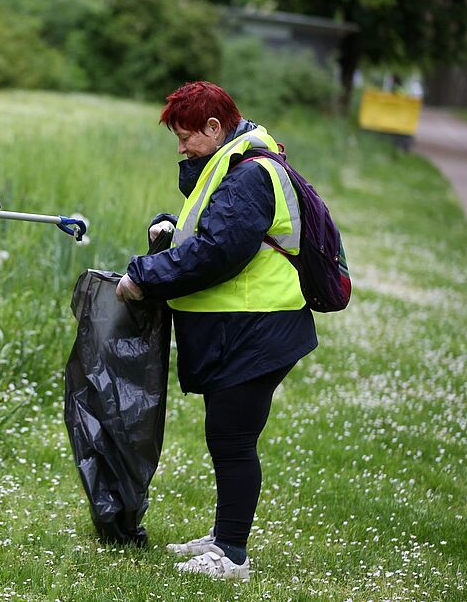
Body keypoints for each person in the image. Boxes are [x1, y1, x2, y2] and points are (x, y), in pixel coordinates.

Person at [115, 81, 317, 581]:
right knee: (226, 435)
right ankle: (224, 535)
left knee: (234, 438)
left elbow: (218, 252)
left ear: (214, 128)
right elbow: (210, 228)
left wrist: (145, 276)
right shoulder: (231, 164)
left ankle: (231, 554)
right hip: (245, 324)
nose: (180, 148)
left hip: (259, 325)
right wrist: (169, 227)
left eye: (186, 138)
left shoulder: (251, 174)